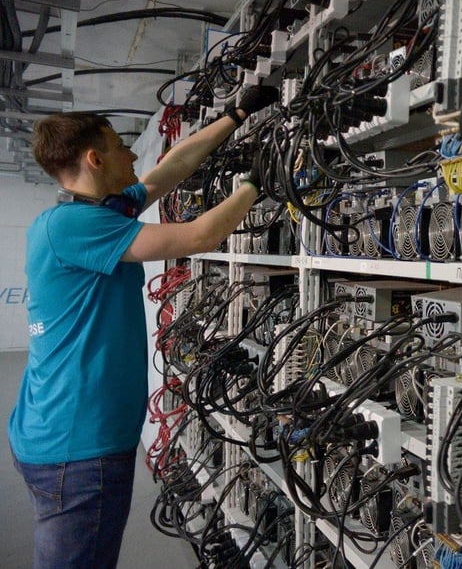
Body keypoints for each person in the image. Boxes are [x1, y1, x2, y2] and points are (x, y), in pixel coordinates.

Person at [7, 85, 278, 569]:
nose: (133, 154)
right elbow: (200, 235)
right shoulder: (73, 226)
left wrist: (237, 114)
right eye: (120, 146)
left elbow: (172, 168)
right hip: (77, 446)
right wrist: (257, 184)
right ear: (94, 159)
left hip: (63, 433)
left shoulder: (96, 212)